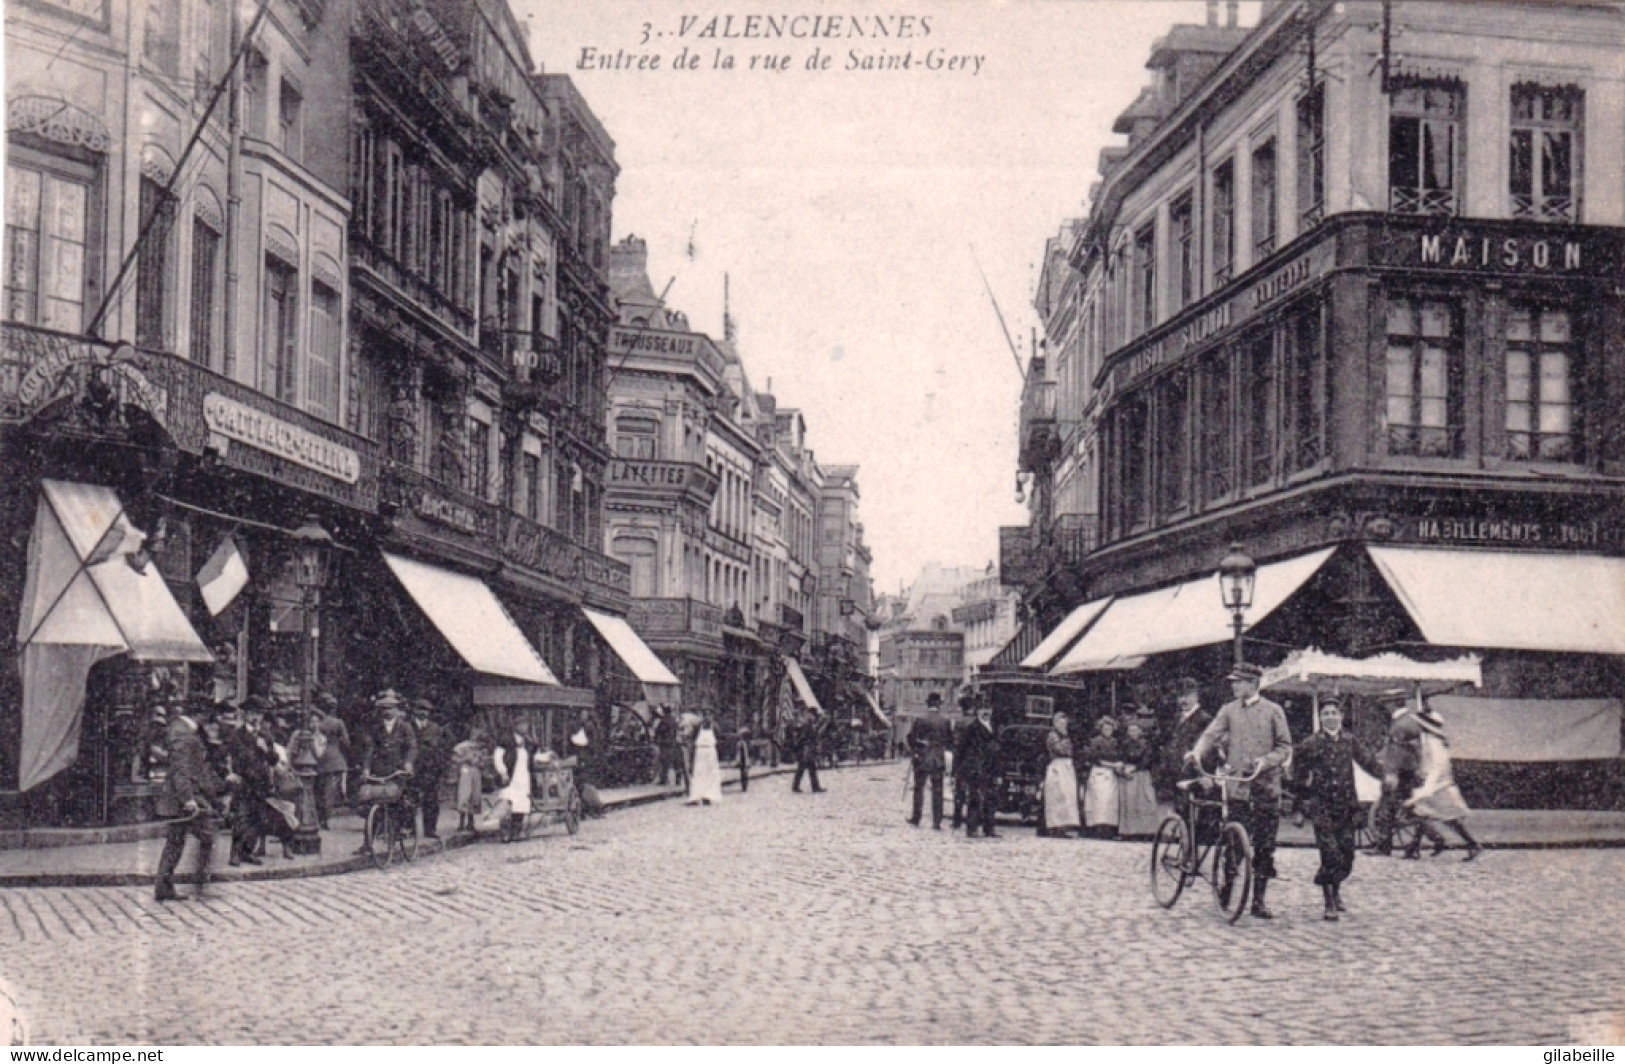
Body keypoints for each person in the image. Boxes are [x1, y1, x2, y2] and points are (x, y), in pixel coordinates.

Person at [1186, 661, 1294, 919]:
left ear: (1253, 684)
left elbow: (1285, 747)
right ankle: (1228, 888)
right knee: (1234, 842)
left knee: (1265, 846)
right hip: (1238, 789)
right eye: (1233, 682)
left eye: (1239, 681)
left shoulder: (1273, 710)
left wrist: (1265, 761)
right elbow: (1211, 735)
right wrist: (1197, 752)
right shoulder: (1228, 710)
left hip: (1266, 786)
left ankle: (1258, 900)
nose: (1234, 686)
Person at [1289, 696, 1386, 920]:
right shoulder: (1310, 744)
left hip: (1347, 807)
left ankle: (1335, 886)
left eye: (1334, 713)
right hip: (1321, 806)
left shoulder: (1350, 742)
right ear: (1320, 718)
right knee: (1329, 854)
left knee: (1347, 856)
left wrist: (1385, 776)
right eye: (1326, 714)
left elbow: (1368, 762)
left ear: (1341, 717)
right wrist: (1299, 809)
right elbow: (1299, 778)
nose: (1330, 717)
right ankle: (1329, 902)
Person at [154, 703, 223, 902]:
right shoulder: (183, 734)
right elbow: (180, 771)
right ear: (199, 714)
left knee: (175, 841)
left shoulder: (182, 730)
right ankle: (199, 883)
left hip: (182, 797)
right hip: (184, 799)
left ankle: (164, 886)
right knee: (206, 835)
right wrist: (189, 800)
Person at [1371, 692, 1448, 857]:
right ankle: (1436, 839)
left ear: (1393, 704)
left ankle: (1383, 847)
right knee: (1411, 810)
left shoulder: (1400, 724)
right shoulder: (1410, 721)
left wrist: (1392, 773)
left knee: (1387, 809)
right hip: (1411, 772)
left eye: (1386, 703)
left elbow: (1398, 752)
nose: (1385, 707)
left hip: (1400, 774)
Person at [1407, 703, 1482, 861]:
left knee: (1448, 819)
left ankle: (1473, 844)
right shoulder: (1431, 741)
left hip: (1439, 787)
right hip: (1436, 786)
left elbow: (1437, 767)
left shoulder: (1434, 744)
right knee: (1422, 814)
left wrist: (1427, 788)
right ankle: (1413, 849)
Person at [356, 690, 418, 853]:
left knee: (396, 803)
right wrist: (366, 768)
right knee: (371, 803)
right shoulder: (376, 728)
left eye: (390, 708)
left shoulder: (405, 727)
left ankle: (398, 832)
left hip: (397, 771)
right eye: (384, 708)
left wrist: (408, 764)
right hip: (379, 770)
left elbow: (412, 747)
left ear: (397, 709)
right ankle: (367, 842)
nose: (387, 711)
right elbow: (370, 749)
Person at [1157, 678, 1213, 801]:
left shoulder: (1204, 719)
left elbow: (1208, 751)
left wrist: (1203, 775)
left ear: (1196, 696)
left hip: (1194, 776)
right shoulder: (1177, 718)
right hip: (1176, 775)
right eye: (1180, 696)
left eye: (1187, 695)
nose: (1183, 700)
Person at [906, 693, 953, 829]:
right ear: (939, 704)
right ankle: (937, 822)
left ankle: (916, 818)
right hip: (938, 757)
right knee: (938, 790)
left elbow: (911, 738)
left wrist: (917, 747)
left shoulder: (920, 720)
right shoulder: (945, 721)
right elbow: (950, 741)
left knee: (918, 788)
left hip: (922, 757)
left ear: (928, 704)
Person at [955, 699, 1000, 838]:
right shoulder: (972, 728)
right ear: (978, 711)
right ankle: (972, 828)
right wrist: (963, 768)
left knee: (991, 798)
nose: (986, 712)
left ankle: (989, 828)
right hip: (976, 767)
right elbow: (962, 749)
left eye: (988, 709)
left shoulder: (995, 727)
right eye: (983, 709)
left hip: (990, 767)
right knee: (975, 798)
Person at [1117, 719, 1162, 837]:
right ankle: (1129, 831)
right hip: (1129, 775)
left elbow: (1147, 760)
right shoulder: (1125, 744)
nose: (1133, 732)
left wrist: (1135, 767)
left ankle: (1147, 831)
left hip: (1142, 774)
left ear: (1140, 731)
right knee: (1129, 802)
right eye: (1130, 730)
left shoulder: (1146, 744)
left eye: (1135, 730)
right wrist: (1123, 767)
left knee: (1145, 801)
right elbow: (1121, 757)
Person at [1039, 711, 1081, 838]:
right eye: (1060, 723)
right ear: (1055, 723)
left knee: (1067, 796)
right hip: (1058, 766)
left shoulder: (1065, 736)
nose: (1063, 725)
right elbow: (1059, 749)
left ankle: (1063, 826)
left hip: (1067, 767)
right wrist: (1065, 740)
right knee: (1057, 796)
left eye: (1065, 723)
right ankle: (1055, 826)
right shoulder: (1053, 735)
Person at [312, 694, 350, 829]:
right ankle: (325, 820)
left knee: (318, 790)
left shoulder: (316, 722)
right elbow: (346, 742)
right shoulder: (338, 723)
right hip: (334, 760)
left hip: (317, 758)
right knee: (329, 792)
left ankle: (318, 818)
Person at [1081, 717, 1124, 838]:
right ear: (1101, 729)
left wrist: (1119, 765)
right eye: (1105, 728)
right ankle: (1096, 829)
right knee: (1099, 801)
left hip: (1111, 774)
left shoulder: (1115, 742)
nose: (1108, 730)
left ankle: (1109, 829)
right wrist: (1113, 765)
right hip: (1099, 772)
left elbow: (1119, 756)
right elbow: (1096, 759)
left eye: (1110, 728)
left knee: (1110, 802)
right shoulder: (1096, 741)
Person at [412, 699, 447, 840]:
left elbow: (440, 748)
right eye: (419, 709)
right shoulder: (408, 726)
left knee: (431, 799)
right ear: (414, 711)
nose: (422, 713)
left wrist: (440, 768)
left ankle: (430, 829)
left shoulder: (435, 728)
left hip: (430, 768)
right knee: (410, 799)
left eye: (425, 710)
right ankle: (409, 828)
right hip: (413, 767)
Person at [491, 724, 533, 838]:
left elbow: (532, 757)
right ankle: (505, 831)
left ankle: (516, 831)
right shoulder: (506, 741)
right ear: (516, 727)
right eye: (522, 725)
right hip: (510, 777)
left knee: (520, 804)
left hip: (523, 777)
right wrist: (503, 772)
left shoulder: (528, 742)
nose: (525, 728)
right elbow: (497, 758)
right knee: (507, 802)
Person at [450, 730, 486, 833]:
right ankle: (461, 822)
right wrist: (464, 760)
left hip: (476, 771)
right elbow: (454, 758)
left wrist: (481, 763)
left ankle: (471, 821)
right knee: (464, 795)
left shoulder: (481, 749)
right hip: (465, 769)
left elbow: (483, 762)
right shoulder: (463, 746)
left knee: (475, 796)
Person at [687, 713, 724, 805]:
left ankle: (709, 796)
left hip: (711, 751)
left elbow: (720, 738)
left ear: (712, 717)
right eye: (705, 715)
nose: (707, 718)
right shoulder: (698, 727)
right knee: (699, 773)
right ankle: (696, 797)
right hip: (700, 751)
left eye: (709, 715)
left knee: (710, 775)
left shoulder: (715, 727)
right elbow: (693, 738)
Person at [791, 708, 826, 794]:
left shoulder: (809, 724)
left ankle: (812, 787)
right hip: (806, 750)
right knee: (803, 769)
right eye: (813, 715)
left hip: (807, 750)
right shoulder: (807, 725)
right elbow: (804, 737)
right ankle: (799, 787)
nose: (814, 717)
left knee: (809, 769)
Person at [654, 706, 687, 789]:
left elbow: (660, 731)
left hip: (665, 743)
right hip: (673, 742)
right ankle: (678, 779)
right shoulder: (673, 720)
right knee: (676, 762)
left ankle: (663, 779)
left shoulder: (664, 721)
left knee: (664, 761)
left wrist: (657, 739)